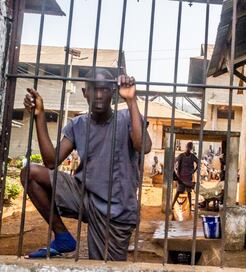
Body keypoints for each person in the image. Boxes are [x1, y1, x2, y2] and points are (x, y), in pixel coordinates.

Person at [20, 68, 152, 260]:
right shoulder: (78, 124)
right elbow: (51, 161)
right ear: (85, 93)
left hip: (116, 211)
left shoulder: (127, 118)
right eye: (93, 89)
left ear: (113, 93)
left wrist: (131, 100)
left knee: (103, 267)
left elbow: (143, 146)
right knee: (30, 173)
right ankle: (62, 236)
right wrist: (40, 116)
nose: (99, 95)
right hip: (85, 196)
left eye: (105, 89)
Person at [172, 142, 199, 210]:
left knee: (189, 192)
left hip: (188, 178)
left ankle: (189, 207)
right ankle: (172, 205)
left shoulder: (192, 156)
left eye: (190, 147)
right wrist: (177, 173)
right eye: (188, 147)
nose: (189, 149)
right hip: (181, 178)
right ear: (186, 147)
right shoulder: (181, 155)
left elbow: (198, 163)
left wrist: (194, 171)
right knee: (178, 192)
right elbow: (174, 163)